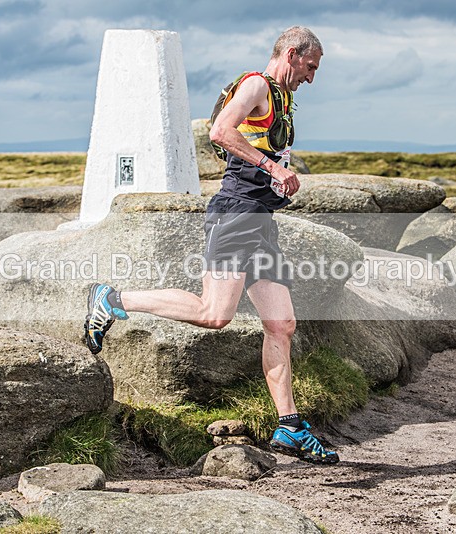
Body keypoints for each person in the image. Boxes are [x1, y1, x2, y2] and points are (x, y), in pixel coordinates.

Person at [85, 27, 338, 464]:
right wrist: (271, 169)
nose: (312, 78)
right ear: (293, 54)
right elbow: (220, 131)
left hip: (259, 220)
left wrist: (277, 173)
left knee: (282, 324)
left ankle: (290, 426)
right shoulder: (257, 85)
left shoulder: (283, 97)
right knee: (214, 313)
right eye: (311, 67)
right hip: (235, 214)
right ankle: (112, 299)